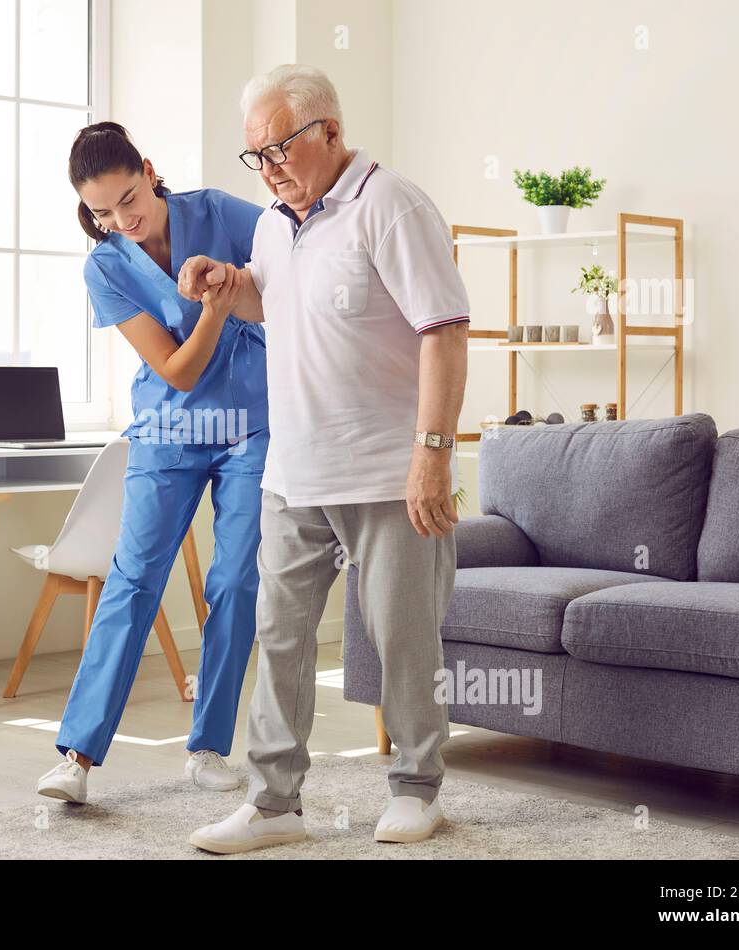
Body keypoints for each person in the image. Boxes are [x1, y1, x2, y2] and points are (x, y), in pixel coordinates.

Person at [180, 65, 471, 853]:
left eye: (279, 148)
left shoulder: (393, 205)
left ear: (330, 133)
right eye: (255, 155)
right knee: (279, 634)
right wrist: (227, 284)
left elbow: (443, 331)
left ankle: (418, 787)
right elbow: (276, 303)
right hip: (294, 471)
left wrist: (432, 458)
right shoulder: (274, 224)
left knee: (402, 635)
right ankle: (275, 804)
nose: (268, 167)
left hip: (387, 469)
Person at [36, 123, 269, 804]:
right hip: (168, 429)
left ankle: (207, 748)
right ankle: (76, 758)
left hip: (251, 427)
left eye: (129, 198)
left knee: (233, 583)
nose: (123, 220)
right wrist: (217, 312)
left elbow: (296, 254)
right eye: (104, 212)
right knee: (134, 581)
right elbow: (176, 368)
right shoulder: (106, 265)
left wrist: (239, 286)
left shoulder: (221, 212)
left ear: (149, 169)